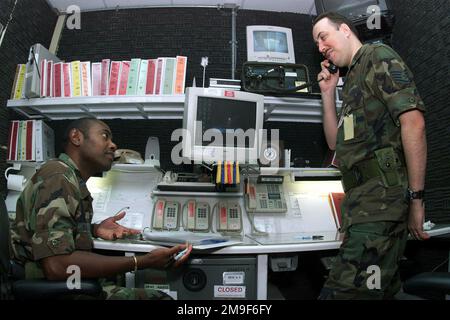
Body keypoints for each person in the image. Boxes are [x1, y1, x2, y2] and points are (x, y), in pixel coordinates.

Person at [312, 12, 428, 299]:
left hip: (381, 208)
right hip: (361, 210)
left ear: (345, 30)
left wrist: (416, 199)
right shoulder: (352, 81)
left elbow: (413, 122)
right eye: (316, 43)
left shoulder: (377, 55)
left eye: (323, 36)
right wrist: (328, 93)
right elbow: (333, 144)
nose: (320, 47)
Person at [10, 117, 192, 299]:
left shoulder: (71, 179)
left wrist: (95, 229)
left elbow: (55, 232)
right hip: (50, 284)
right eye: (105, 136)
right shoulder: (58, 177)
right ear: (76, 137)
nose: (113, 145)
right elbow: (57, 265)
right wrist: (143, 261)